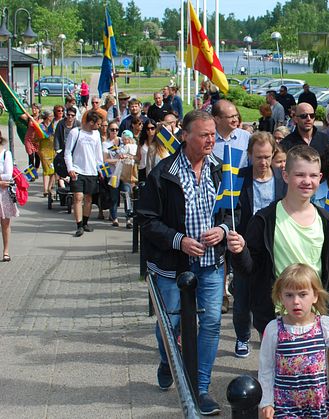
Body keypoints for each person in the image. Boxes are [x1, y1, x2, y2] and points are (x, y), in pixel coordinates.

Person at [137, 110, 233, 416]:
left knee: (212, 322)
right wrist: (179, 240)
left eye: (213, 134)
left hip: (211, 263)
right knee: (172, 323)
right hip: (173, 265)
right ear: (185, 136)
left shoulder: (222, 170)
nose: (210, 140)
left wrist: (223, 230)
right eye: (203, 134)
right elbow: (146, 220)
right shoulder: (164, 174)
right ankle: (168, 359)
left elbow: (233, 209)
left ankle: (199, 387)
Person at [229, 144, 329, 337]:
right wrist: (240, 252)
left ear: (320, 178)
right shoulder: (264, 220)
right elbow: (249, 270)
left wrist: (327, 311)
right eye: (300, 175)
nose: (307, 181)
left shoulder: (328, 223)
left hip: (316, 320)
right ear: (285, 176)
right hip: (274, 319)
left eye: (313, 176)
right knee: (273, 368)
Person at [257, 263, 329, 419]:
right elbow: (266, 369)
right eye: (289, 295)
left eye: (302, 294)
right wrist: (266, 402)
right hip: (285, 407)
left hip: (318, 406)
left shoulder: (324, 325)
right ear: (280, 296)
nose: (296, 301)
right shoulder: (274, 329)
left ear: (315, 296)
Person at [232, 131, 288, 358]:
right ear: (250, 155)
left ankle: (271, 339)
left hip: (274, 245)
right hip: (246, 243)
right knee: (242, 294)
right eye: (258, 157)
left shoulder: (281, 179)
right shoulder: (239, 177)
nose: (263, 162)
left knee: (271, 296)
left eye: (267, 157)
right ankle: (242, 336)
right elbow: (232, 209)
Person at [64, 112, 105, 237]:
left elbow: (99, 155)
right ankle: (79, 225)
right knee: (78, 197)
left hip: (91, 171)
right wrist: (70, 168)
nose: (99, 126)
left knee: (88, 198)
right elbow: (67, 152)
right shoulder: (75, 132)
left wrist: (101, 170)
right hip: (78, 170)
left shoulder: (96, 134)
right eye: (98, 124)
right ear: (91, 122)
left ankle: (86, 222)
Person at [212, 100, 250, 169]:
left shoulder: (246, 137)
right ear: (217, 119)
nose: (235, 120)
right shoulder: (209, 140)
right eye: (231, 117)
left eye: (236, 115)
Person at [0, 131, 19, 262]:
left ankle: (6, 251)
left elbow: (8, 175)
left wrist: (2, 181)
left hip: (3, 194)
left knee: (5, 223)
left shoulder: (6, 154)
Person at [38, 110, 57, 197]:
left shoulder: (53, 125)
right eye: (50, 116)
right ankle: (45, 189)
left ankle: (49, 188)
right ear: (46, 117)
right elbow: (40, 136)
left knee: (53, 170)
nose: (52, 117)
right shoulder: (41, 126)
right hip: (44, 150)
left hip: (52, 149)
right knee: (46, 169)